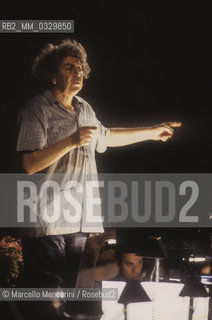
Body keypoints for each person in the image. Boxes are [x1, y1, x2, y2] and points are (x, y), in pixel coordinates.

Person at [15, 38, 181, 296]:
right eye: (69, 67)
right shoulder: (37, 110)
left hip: (79, 221)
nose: (77, 73)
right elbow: (28, 164)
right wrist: (71, 141)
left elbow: (107, 137)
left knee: (67, 298)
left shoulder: (84, 109)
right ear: (52, 75)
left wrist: (152, 132)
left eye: (80, 69)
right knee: (44, 300)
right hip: (45, 222)